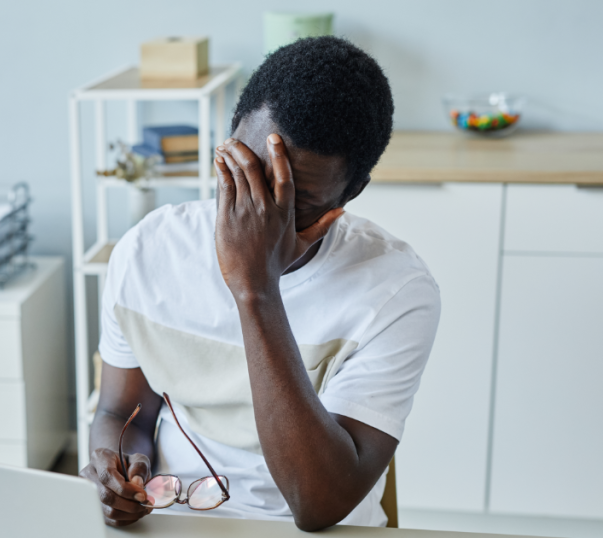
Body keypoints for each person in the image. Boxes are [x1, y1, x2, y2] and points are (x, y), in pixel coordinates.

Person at [78, 36, 441, 531]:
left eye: (295, 201)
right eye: (247, 175)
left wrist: (256, 288)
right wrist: (115, 466)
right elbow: (124, 411)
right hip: (178, 517)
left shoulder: (396, 291)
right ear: (231, 136)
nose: (259, 214)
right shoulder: (147, 251)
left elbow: (318, 505)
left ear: (350, 193)